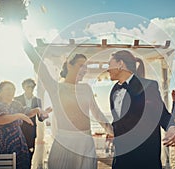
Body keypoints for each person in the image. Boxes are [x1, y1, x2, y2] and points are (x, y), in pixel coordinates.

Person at [23, 38, 113, 169]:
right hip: (64, 142)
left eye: (86, 67)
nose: (84, 70)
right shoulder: (55, 88)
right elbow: (38, 63)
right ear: (69, 65)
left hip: (86, 143)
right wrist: (21, 34)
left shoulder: (86, 88)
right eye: (80, 65)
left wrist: (114, 132)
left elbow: (98, 115)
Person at [107, 50, 175, 169]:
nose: (108, 69)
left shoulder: (148, 86)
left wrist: (172, 128)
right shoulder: (114, 90)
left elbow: (162, 114)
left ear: (120, 64)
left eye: (109, 64)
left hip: (145, 159)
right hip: (121, 160)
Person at [0, 81, 48, 169]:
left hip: (19, 144)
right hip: (3, 145)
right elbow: (0, 120)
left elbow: (27, 113)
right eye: (8, 89)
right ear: (0, 92)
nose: (11, 91)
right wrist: (18, 115)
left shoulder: (16, 104)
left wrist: (37, 110)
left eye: (13, 89)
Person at [14, 78, 50, 168]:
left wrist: (45, 115)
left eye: (32, 86)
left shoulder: (37, 101)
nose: (30, 88)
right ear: (23, 87)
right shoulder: (16, 99)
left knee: (30, 154)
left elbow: (40, 119)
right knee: (18, 155)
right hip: (18, 130)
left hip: (31, 131)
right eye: (28, 86)